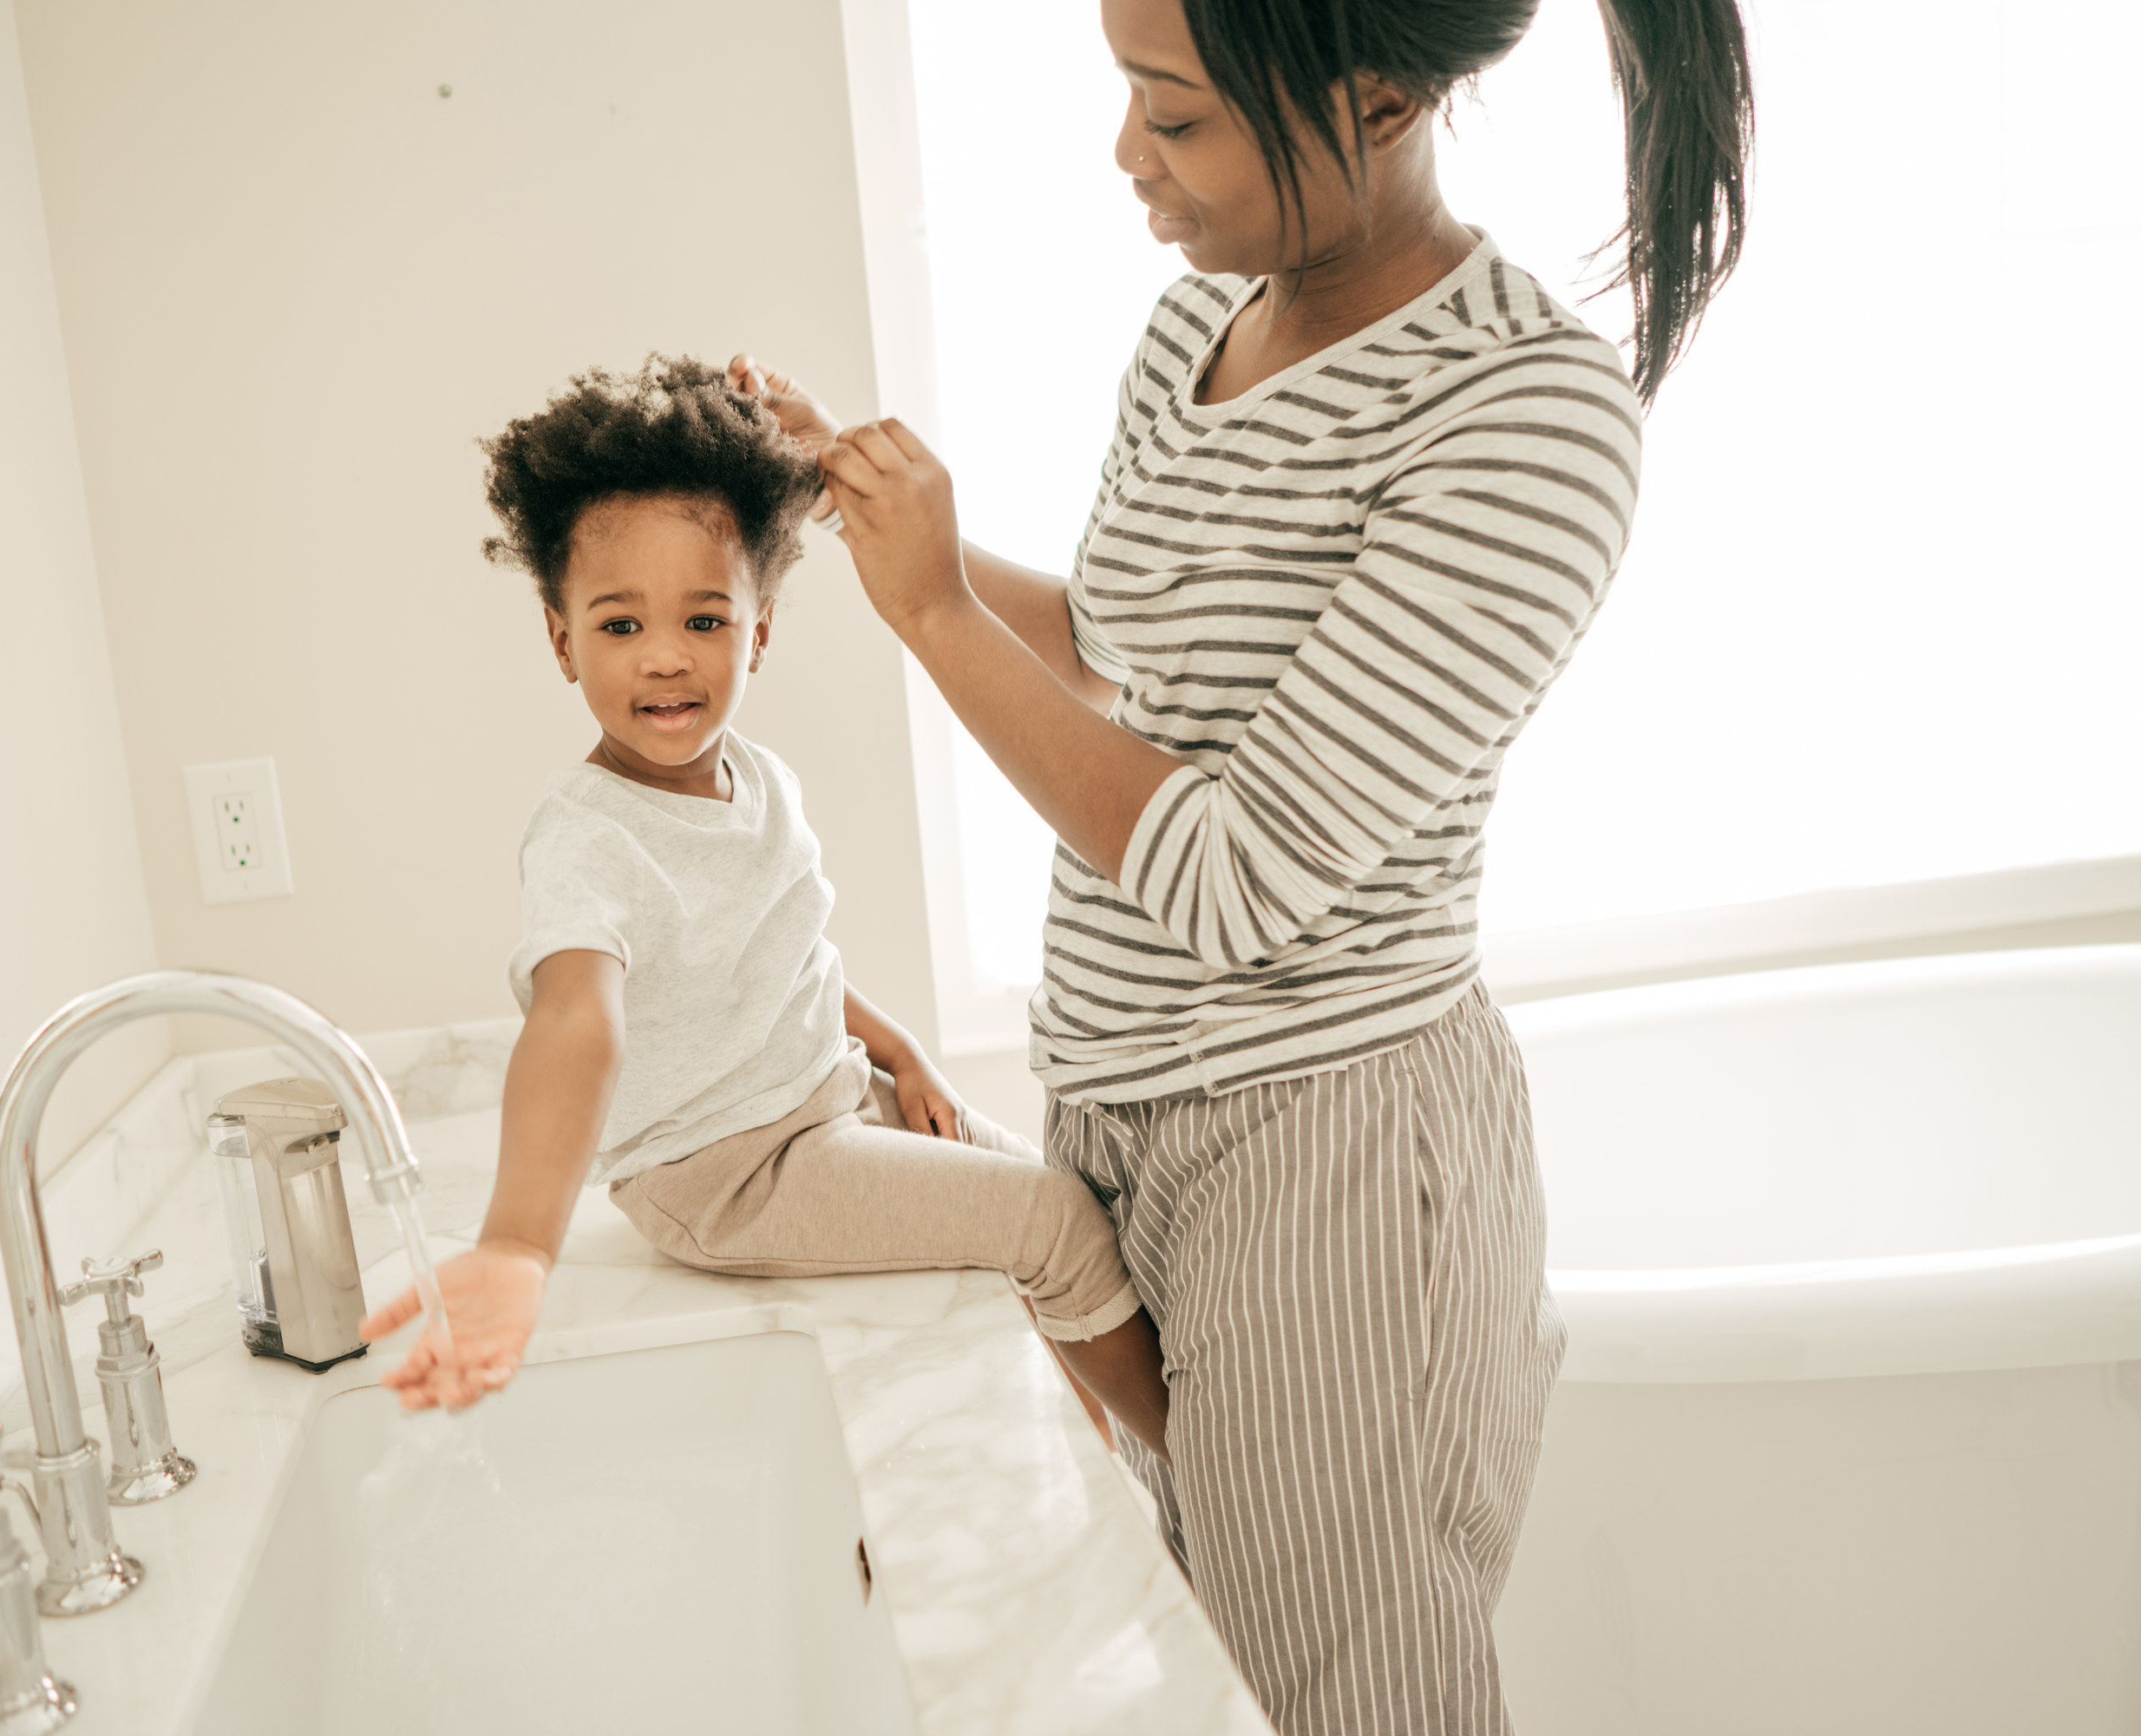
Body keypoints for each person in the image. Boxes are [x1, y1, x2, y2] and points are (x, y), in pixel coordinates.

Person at [731, 0, 1750, 1729]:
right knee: (1211, 1673)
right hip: (1134, 1112)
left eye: (1177, 117)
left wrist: (926, 610)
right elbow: (1128, 661)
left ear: (1384, 96)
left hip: (1330, 1152)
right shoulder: (1201, 319)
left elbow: (1238, 872)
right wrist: (870, 517)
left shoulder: (1526, 416)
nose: (1128, 158)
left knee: (1335, 1700)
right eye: (1129, 97)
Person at [360, 357, 1171, 1464]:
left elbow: (790, 961)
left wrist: (904, 1058)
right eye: (617, 626)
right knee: (1054, 1224)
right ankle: (1188, 1469)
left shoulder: (757, 779)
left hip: (827, 1102)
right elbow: (576, 1024)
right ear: (562, 641)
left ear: (761, 629)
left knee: (1046, 1190)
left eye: (704, 619)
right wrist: (516, 1243)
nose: (665, 658)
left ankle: (1093, 1476)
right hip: (731, 1175)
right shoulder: (588, 838)